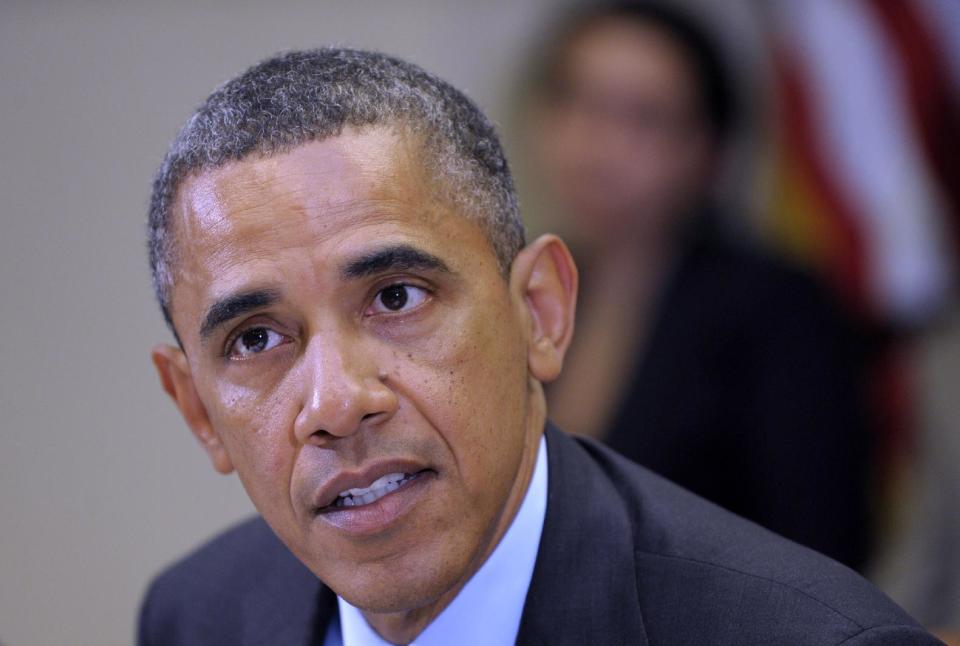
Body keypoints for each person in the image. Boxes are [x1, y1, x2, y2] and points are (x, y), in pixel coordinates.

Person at [138, 48, 940, 645]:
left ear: (540, 313)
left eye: (394, 297)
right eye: (256, 339)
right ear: (197, 410)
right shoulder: (197, 616)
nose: (338, 403)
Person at [523, 2, 872, 570]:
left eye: (641, 117)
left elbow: (819, 549)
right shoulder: (513, 286)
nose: (593, 143)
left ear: (706, 149)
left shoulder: (779, 308)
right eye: (574, 99)